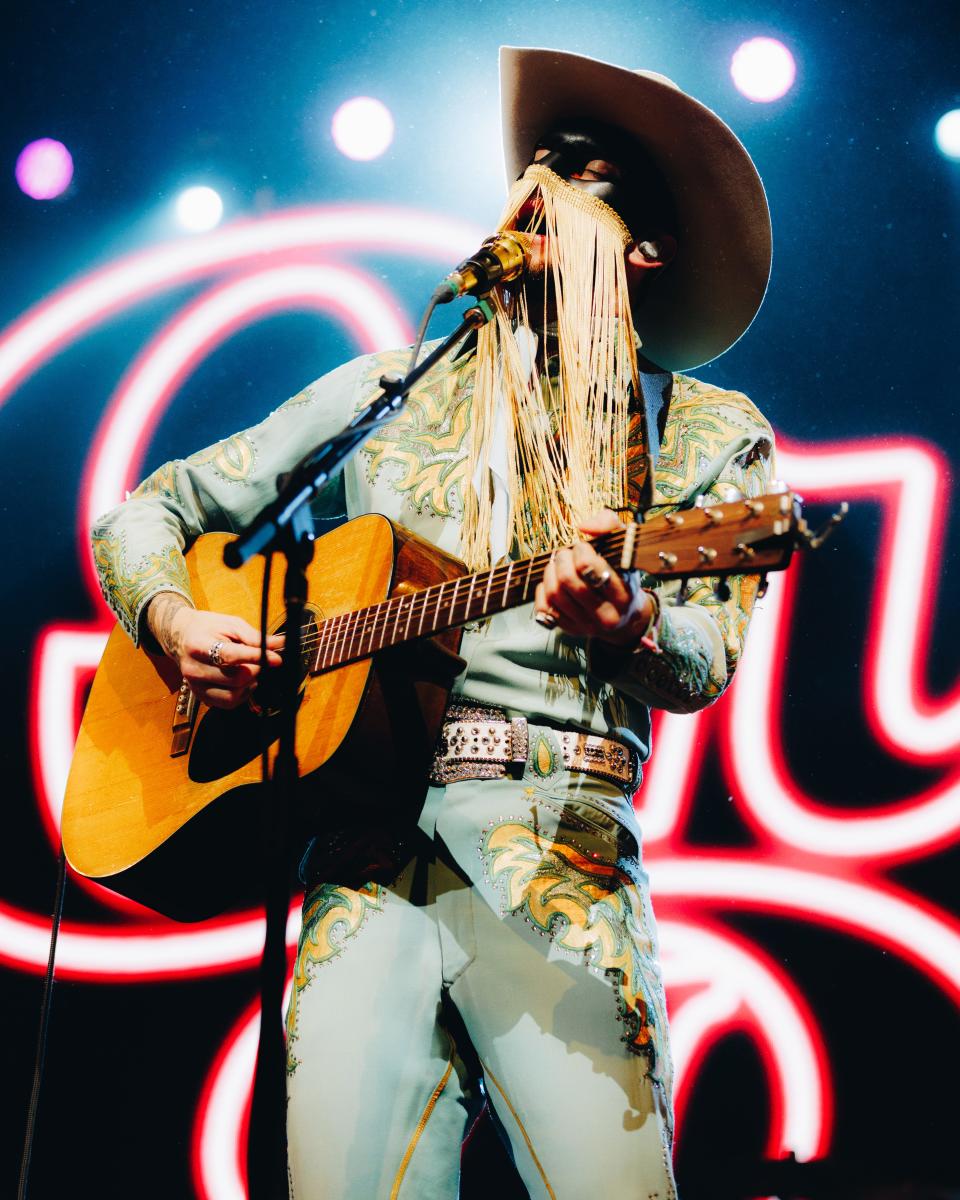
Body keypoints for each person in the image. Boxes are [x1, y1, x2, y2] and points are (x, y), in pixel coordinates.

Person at [92, 47, 774, 1200]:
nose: (541, 184)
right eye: (537, 165)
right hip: (359, 862)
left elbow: (703, 661)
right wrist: (170, 623)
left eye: (584, 174)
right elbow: (150, 510)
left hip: (561, 856)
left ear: (645, 253)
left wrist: (626, 625)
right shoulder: (383, 389)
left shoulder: (710, 433)